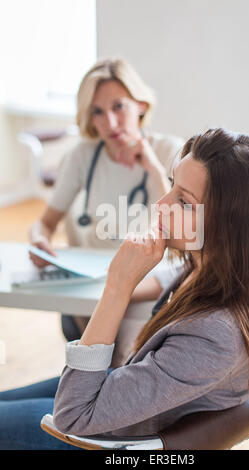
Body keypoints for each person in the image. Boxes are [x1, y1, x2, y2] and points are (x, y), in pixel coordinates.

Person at [0, 128, 249, 449]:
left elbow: (73, 418)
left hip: (93, 434)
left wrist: (117, 287)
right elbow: (171, 279)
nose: (162, 204)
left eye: (184, 201)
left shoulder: (216, 334)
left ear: (229, 224)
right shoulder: (219, 272)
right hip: (110, 398)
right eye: (171, 185)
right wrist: (124, 276)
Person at [28, 58, 184, 345]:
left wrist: (153, 168)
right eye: (97, 111)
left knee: (122, 356)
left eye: (118, 107)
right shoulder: (82, 157)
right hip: (93, 284)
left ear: (141, 106)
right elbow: (44, 223)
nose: (109, 122)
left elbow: (184, 233)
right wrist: (39, 240)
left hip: (149, 284)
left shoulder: (170, 152)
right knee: (97, 354)